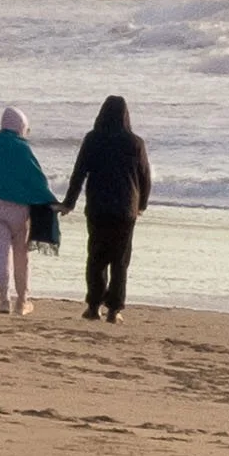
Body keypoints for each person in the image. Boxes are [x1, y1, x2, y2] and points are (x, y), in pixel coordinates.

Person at [60, 94, 152, 323]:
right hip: (125, 210)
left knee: (96, 257)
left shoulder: (93, 139)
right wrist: (141, 205)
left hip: (98, 207)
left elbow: (79, 173)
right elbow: (145, 178)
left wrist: (69, 202)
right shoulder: (135, 143)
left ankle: (93, 306)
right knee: (120, 260)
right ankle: (114, 309)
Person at [0, 105, 56, 316]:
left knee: (0, 254)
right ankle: (22, 300)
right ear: (21, 126)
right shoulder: (23, 148)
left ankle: (4, 299)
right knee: (21, 256)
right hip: (19, 211)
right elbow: (37, 179)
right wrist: (50, 201)